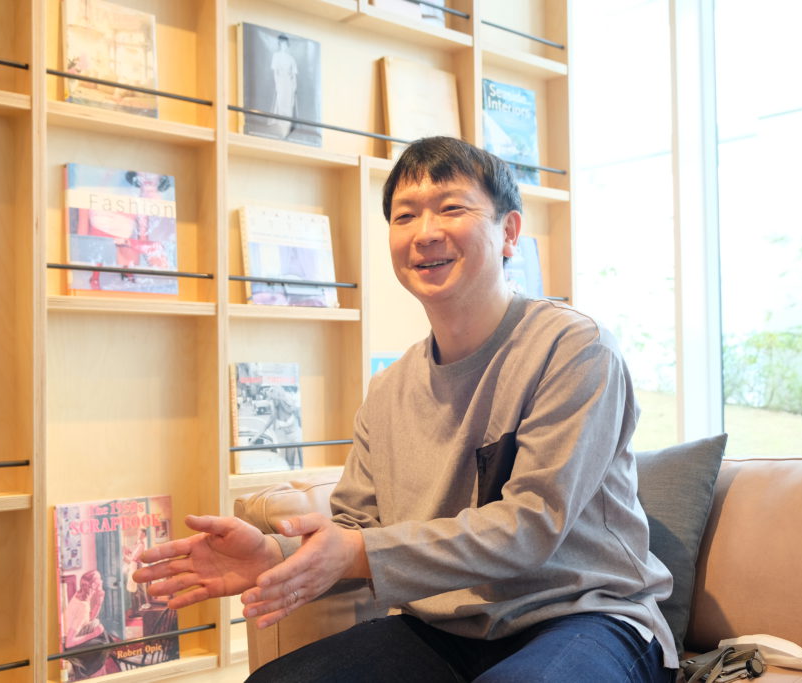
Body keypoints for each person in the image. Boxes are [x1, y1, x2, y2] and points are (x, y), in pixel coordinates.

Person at [133, 136, 678, 682]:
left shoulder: (573, 349)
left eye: (452, 208)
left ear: (509, 232)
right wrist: (276, 554)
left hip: (585, 616)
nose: (425, 232)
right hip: (444, 627)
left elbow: (530, 526)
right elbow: (355, 526)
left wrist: (356, 550)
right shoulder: (388, 389)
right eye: (405, 216)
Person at [270, 34, 298, 139]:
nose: (283, 46)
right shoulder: (276, 56)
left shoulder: (291, 58)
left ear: (287, 45)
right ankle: (281, 128)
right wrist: (277, 84)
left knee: (289, 104)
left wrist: (294, 86)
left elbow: (294, 75)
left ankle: (287, 128)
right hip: (281, 82)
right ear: (279, 44)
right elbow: (275, 72)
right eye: (282, 44)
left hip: (289, 84)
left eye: (285, 44)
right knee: (281, 103)